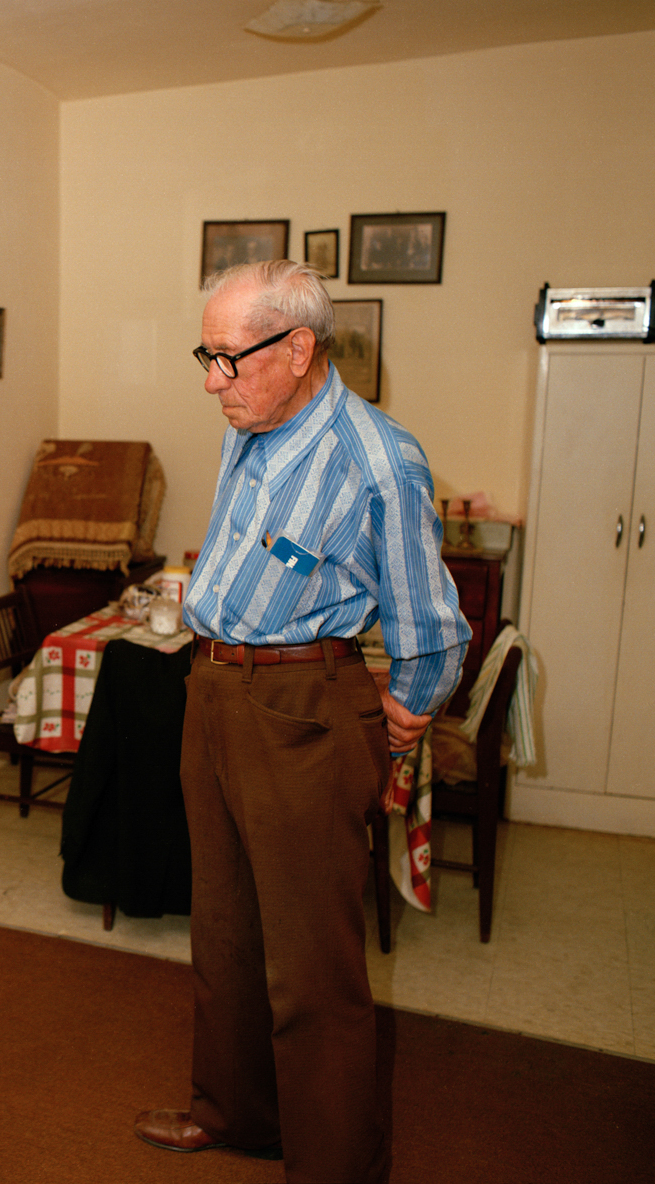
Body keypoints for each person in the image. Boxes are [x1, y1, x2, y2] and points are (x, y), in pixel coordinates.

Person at [134, 260, 468, 1183]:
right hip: (214, 690)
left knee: (313, 968)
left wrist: (405, 707)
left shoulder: (377, 458)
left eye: (228, 359)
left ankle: (332, 1165)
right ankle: (236, 1110)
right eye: (208, 355)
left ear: (300, 348)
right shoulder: (254, 422)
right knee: (226, 928)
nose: (212, 380)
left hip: (304, 708)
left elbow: (430, 620)